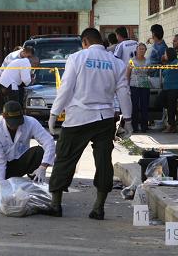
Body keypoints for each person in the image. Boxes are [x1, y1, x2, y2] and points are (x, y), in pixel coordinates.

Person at [44, 28, 133, 220]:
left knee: (65, 159)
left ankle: (55, 205)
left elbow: (66, 88)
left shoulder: (77, 58)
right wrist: (128, 120)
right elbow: (124, 92)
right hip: (105, 119)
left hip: (79, 117)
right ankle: (99, 208)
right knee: (103, 162)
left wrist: (54, 114)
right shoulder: (116, 63)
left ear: (85, 41)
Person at [0, 101, 55, 184]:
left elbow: (49, 141)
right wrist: (1, 184)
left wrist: (43, 166)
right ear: (3, 116)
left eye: (18, 122)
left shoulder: (31, 122)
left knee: (38, 152)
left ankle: (35, 180)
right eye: (12, 123)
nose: (15, 126)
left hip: (18, 162)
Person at [127, 43, 150, 133]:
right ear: (136, 50)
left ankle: (144, 126)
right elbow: (127, 75)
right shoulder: (131, 61)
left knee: (145, 106)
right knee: (134, 106)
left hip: (145, 86)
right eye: (140, 49)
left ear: (145, 51)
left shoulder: (148, 61)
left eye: (143, 49)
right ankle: (134, 126)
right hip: (134, 86)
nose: (141, 51)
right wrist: (127, 87)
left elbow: (150, 72)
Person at [159, 48, 178, 133]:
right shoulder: (168, 63)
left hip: (174, 88)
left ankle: (171, 126)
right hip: (166, 88)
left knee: (171, 107)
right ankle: (172, 121)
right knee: (160, 101)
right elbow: (164, 73)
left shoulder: (176, 62)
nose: (164, 56)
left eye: (165, 54)